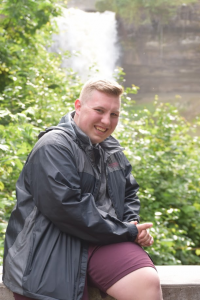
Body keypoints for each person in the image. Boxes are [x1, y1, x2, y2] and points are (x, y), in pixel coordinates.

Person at [3, 78, 163, 300]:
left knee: (146, 282)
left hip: (101, 238)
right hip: (50, 247)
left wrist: (132, 224)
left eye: (114, 114)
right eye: (99, 110)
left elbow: (128, 193)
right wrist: (125, 230)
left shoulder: (111, 149)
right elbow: (67, 209)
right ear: (78, 106)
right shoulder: (54, 146)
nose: (106, 121)